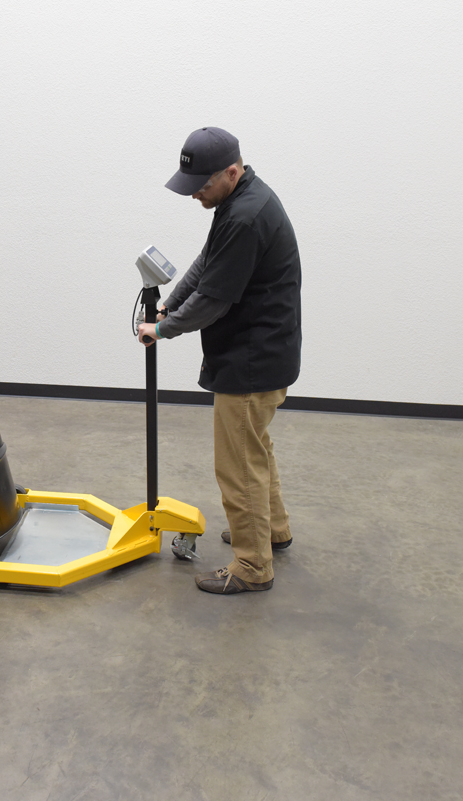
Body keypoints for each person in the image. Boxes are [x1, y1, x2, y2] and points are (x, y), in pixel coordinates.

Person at [137, 127, 302, 594]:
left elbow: (214, 301)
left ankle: (252, 565)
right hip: (264, 352)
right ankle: (273, 531)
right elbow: (207, 261)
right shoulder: (241, 200)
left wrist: (161, 329)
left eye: (201, 186)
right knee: (255, 449)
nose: (195, 195)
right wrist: (170, 304)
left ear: (231, 172)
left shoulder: (246, 216)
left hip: (251, 360)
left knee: (238, 465)